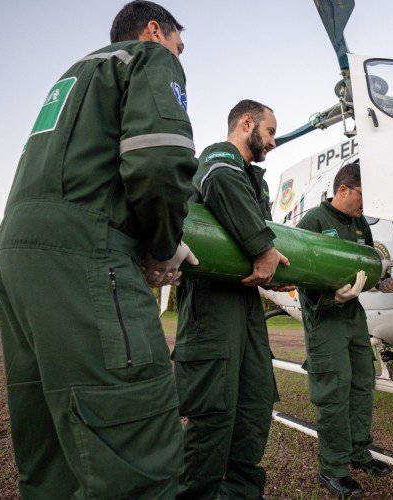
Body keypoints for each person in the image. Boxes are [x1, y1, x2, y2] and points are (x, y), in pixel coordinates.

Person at [0, 2, 198, 497]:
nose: (179, 56)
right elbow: (160, 159)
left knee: (51, 455)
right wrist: (163, 244)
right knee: (135, 450)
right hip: (85, 251)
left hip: (15, 253)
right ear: (154, 30)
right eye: (179, 45)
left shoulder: (71, 78)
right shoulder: (147, 59)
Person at [174, 99, 288, 499]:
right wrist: (261, 246)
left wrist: (278, 273)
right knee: (215, 415)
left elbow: (269, 248)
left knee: (254, 407)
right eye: (270, 131)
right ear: (246, 123)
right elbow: (221, 185)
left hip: (246, 305)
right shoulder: (219, 159)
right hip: (212, 304)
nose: (273, 142)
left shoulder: (256, 181)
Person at [297, 163, 393, 499]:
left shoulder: (358, 225)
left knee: (361, 384)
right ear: (343, 190)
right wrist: (330, 297)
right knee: (334, 392)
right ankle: (333, 468)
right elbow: (298, 271)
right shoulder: (313, 221)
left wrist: (379, 281)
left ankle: (357, 452)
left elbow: (366, 266)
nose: (364, 207)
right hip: (325, 319)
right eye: (361, 197)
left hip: (354, 319)